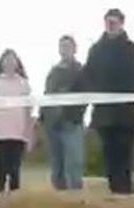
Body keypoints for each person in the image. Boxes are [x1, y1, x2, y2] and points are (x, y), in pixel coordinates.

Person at [83, 8, 134, 194]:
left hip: (126, 112)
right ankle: (113, 191)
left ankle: (125, 190)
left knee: (125, 153)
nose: (111, 25)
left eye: (114, 22)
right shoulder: (96, 50)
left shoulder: (131, 48)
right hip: (104, 113)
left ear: (121, 24)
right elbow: (88, 75)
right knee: (109, 154)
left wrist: (128, 91)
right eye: (108, 22)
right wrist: (97, 92)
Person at [0, 49, 35, 194]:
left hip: (19, 131)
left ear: (18, 63)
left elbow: (28, 110)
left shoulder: (24, 84)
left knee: (15, 166)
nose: (10, 63)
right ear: (1, 63)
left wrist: (29, 133)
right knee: (2, 165)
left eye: (13, 60)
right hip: (1, 132)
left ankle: (15, 196)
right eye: (6, 60)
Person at [42, 36, 87, 191]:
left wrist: (75, 115)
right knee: (57, 163)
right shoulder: (53, 72)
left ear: (74, 49)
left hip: (71, 122)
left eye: (68, 46)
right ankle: (60, 196)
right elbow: (47, 94)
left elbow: (85, 96)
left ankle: (76, 194)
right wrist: (42, 117)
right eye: (62, 46)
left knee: (74, 161)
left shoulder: (80, 70)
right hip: (52, 122)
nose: (65, 50)